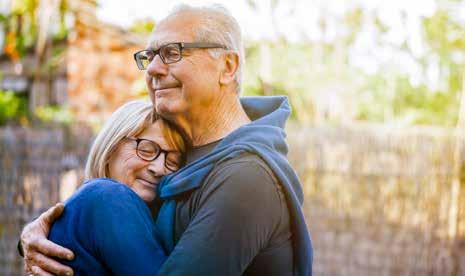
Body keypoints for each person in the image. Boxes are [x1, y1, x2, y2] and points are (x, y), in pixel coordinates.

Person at [20, 4, 313, 276]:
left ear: (227, 67)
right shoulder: (188, 161)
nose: (153, 69)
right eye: (149, 57)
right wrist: (48, 231)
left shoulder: (247, 177)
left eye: (172, 53)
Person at [43, 100, 185, 275]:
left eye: (173, 161)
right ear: (110, 148)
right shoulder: (109, 196)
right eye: (147, 150)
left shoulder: (91, 202)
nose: (159, 168)